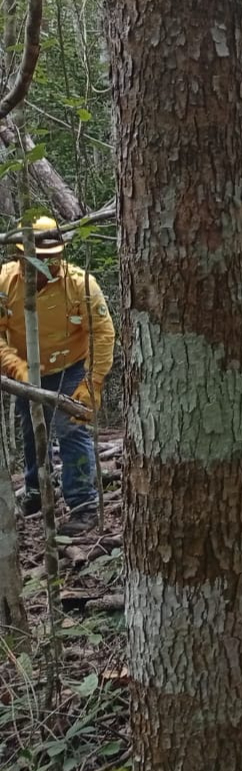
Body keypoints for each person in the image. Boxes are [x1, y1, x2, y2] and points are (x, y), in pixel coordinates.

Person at [1, 217, 115, 535]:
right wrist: (15, 367)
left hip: (71, 367)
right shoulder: (5, 283)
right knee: (30, 431)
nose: (44, 265)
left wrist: (91, 383)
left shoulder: (80, 284)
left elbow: (103, 333)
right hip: (25, 371)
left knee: (72, 430)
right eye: (36, 257)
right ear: (20, 255)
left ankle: (83, 506)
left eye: (51, 258)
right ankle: (36, 491)